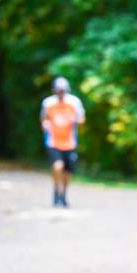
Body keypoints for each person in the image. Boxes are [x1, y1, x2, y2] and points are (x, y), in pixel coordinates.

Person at [40, 77, 85, 207]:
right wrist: (45, 124)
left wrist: (75, 119)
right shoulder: (48, 103)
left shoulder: (74, 102)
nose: (61, 93)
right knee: (57, 166)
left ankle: (63, 195)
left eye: (63, 90)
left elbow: (81, 119)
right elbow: (44, 119)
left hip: (70, 142)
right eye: (58, 90)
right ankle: (56, 189)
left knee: (67, 172)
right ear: (54, 90)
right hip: (53, 141)